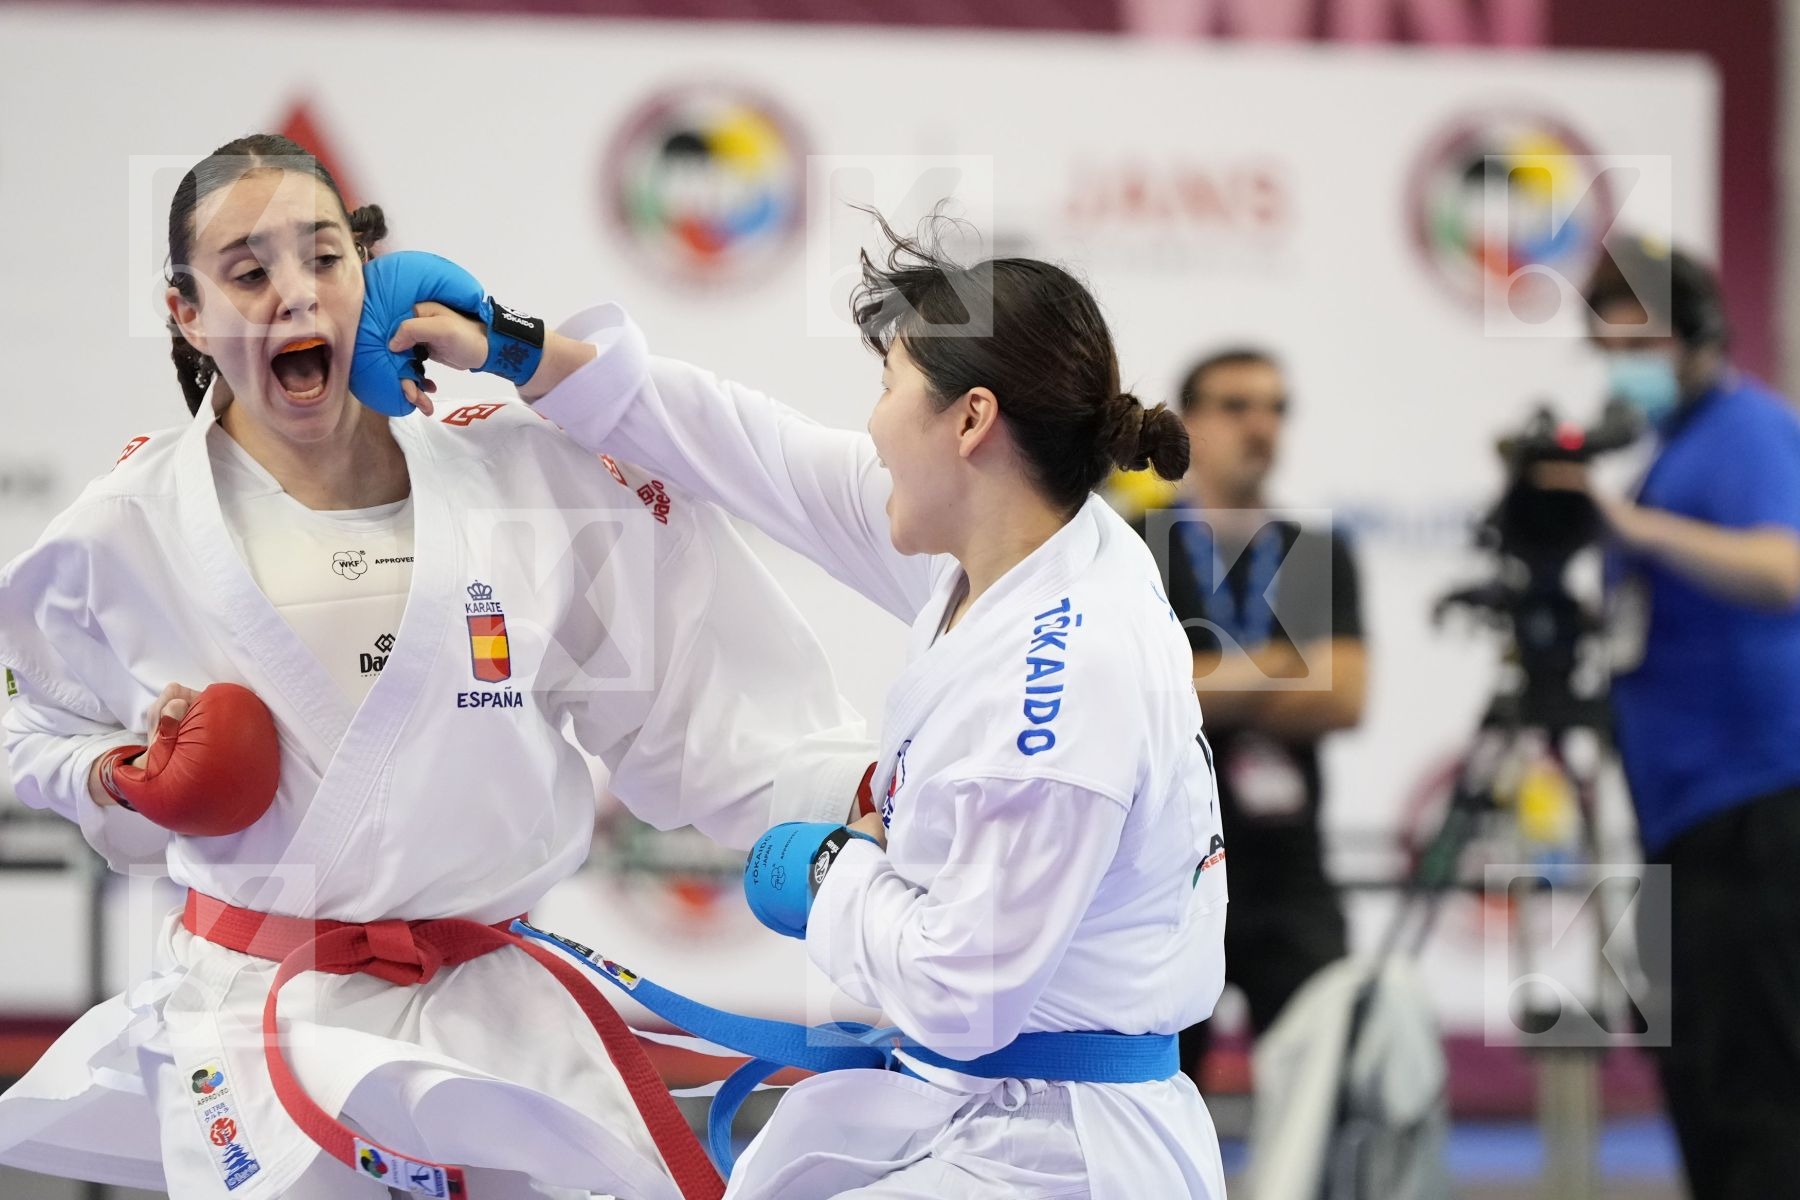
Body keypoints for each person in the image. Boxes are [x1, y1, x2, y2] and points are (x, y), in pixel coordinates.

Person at [0, 134, 873, 1200]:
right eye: (247, 272)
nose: (293, 295)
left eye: (323, 257)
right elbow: (19, 720)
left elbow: (704, 706)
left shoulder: (518, 477)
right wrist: (103, 771)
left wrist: (869, 805)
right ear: (185, 313)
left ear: (369, 271)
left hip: (492, 1012)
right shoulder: (125, 529)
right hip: (258, 1016)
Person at [379, 219, 1233, 1198]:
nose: (872, 425)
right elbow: (754, 453)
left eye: (889, 389)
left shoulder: (1064, 678)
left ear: (970, 421)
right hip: (986, 1105)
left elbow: (965, 993)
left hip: (1061, 1155)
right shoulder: (1019, 549)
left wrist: (829, 874)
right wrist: (516, 347)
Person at [1537, 239, 1800, 1200]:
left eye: (1639, 337)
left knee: (1758, 1079)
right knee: (1694, 1071)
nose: (1624, 362)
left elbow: (1783, 571)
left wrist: (1630, 528)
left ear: (1697, 335)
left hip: (1757, 802)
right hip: (1677, 815)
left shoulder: (1749, 429)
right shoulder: (1668, 456)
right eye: (1607, 343)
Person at [1132, 348, 1366, 1084]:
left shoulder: (1314, 550)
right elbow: (1142, 700)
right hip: (1162, 873)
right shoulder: (1133, 546)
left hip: (1287, 871)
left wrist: (1198, 680)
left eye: (1275, 407)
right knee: (1154, 1106)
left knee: (1324, 1099)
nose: (1261, 425)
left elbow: (1345, 695)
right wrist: (1286, 663)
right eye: (1237, 406)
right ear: (1189, 422)